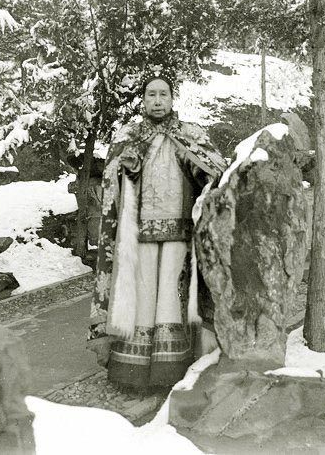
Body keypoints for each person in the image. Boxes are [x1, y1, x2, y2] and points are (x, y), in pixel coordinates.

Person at [87, 69, 226, 390]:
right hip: (139, 236)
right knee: (143, 299)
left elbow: (213, 173)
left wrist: (193, 163)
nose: (158, 100)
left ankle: (170, 372)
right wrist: (128, 168)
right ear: (143, 101)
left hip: (180, 234)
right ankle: (133, 374)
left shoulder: (190, 135)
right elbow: (113, 181)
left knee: (170, 300)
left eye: (163, 94)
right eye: (151, 94)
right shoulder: (129, 136)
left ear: (173, 99)